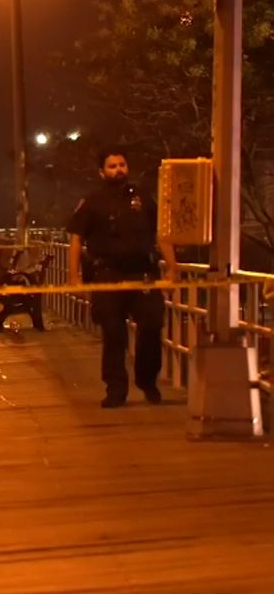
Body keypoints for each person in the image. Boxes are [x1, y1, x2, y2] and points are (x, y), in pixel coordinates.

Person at [67, 148, 178, 408]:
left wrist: (173, 267)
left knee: (152, 327)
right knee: (113, 335)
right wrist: (74, 277)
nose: (119, 170)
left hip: (143, 275)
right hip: (108, 276)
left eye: (122, 165)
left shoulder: (142, 197)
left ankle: (147, 380)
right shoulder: (92, 201)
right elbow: (76, 238)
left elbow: (161, 233)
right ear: (101, 172)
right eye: (112, 166)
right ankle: (116, 389)